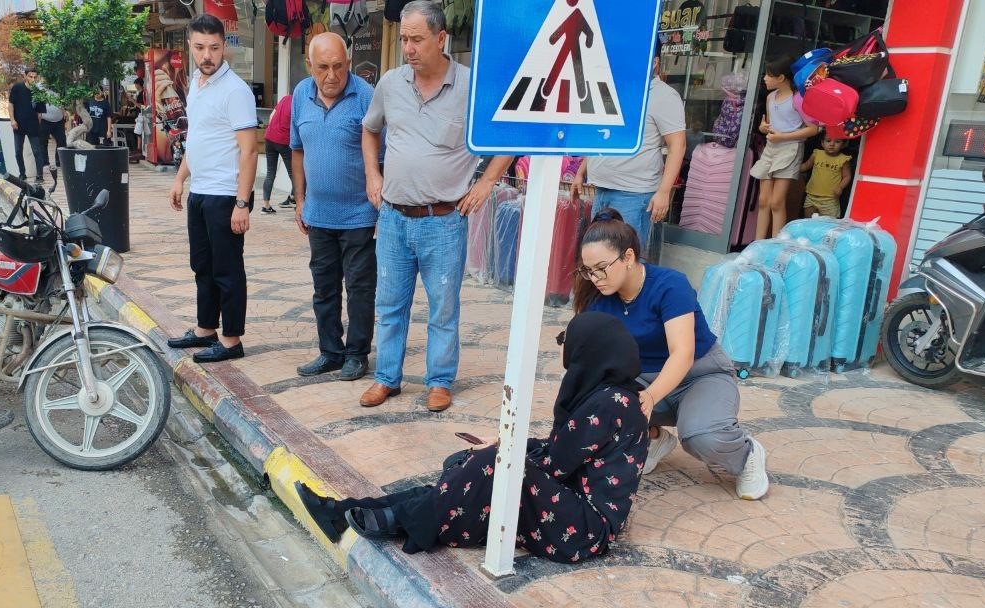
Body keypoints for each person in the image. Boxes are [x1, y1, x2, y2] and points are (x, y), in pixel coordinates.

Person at [296, 311, 649, 563]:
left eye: (565, 341)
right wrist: (499, 449)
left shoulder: (610, 403)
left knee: (491, 468)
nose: (563, 351)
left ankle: (401, 522)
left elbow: (555, 465)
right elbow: (560, 451)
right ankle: (345, 511)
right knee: (472, 466)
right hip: (567, 507)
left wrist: (499, 455)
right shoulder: (609, 395)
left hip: (584, 529)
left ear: (589, 349)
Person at [359, 0, 513, 413]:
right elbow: (370, 131)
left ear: (441, 38)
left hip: (444, 221)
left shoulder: (471, 86)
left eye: (416, 39)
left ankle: (440, 381)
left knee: (443, 306)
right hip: (393, 217)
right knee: (389, 302)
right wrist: (373, 176)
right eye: (404, 39)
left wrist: (486, 183)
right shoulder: (390, 83)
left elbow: (507, 134)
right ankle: (386, 378)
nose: (408, 48)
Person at [574, 209, 769, 500]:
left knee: (702, 437)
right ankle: (653, 438)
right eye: (588, 270)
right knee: (595, 401)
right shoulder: (598, 299)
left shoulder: (669, 284)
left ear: (628, 257)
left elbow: (683, 352)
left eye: (602, 267)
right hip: (641, 378)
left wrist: (650, 398)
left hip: (700, 375)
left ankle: (746, 454)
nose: (595, 278)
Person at [166, 13, 259, 363]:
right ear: (190, 46)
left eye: (215, 48)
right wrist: (180, 178)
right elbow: (198, 138)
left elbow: (250, 151)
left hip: (225, 195)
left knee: (227, 269)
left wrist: (242, 202)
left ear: (224, 47)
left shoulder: (235, 91)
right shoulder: (196, 83)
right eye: (201, 47)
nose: (208, 55)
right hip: (200, 192)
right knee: (202, 265)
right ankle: (206, 329)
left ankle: (232, 340)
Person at [289, 32, 379, 382]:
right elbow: (297, 149)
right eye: (323, 67)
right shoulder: (300, 94)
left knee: (359, 289)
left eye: (338, 67)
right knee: (323, 288)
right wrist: (300, 199)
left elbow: (380, 157)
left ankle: (357, 355)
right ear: (309, 65)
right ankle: (330, 351)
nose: (331, 75)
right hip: (318, 216)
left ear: (349, 64)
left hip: (358, 215)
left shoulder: (366, 97)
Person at [570, 47, 685, 262]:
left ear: (655, 62)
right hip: (602, 190)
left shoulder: (664, 96)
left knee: (626, 261)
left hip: (634, 195)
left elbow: (678, 145)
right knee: (600, 257)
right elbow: (604, 136)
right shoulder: (618, 90)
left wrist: (663, 192)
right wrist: (581, 171)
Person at [751, 56, 819, 239]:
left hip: (790, 150)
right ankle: (757, 244)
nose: (764, 78)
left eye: (768, 75)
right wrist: (763, 127)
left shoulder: (798, 99)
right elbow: (770, 125)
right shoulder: (770, 97)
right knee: (763, 200)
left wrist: (783, 136)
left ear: (781, 78)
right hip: (771, 148)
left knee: (776, 202)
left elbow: (813, 129)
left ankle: (775, 244)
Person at [8, 69, 48, 182]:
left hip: (33, 125)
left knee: (37, 151)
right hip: (18, 125)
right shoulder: (17, 88)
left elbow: (39, 113)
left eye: (35, 77)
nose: (33, 79)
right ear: (25, 76)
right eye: (30, 76)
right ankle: (22, 173)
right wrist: (12, 120)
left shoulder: (39, 92)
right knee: (18, 151)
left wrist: (37, 126)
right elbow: (11, 105)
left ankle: (40, 176)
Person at [801, 133, 852, 218]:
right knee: (808, 221)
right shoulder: (816, 154)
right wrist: (792, 169)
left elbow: (847, 176)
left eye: (837, 142)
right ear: (822, 143)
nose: (832, 144)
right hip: (811, 196)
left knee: (829, 224)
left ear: (843, 144)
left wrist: (840, 187)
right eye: (828, 141)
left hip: (830, 199)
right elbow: (806, 166)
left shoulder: (843, 159)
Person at [261, 93, 295, 214]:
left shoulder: (285, 98)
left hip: (269, 137)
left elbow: (271, 117)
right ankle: (296, 200)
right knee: (295, 173)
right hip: (284, 141)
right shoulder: (298, 103)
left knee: (270, 173)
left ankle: (266, 206)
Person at [38, 90, 67, 172]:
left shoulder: (58, 87)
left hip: (59, 120)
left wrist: (64, 112)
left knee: (62, 140)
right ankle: (45, 162)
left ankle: (59, 162)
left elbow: (60, 102)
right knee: (43, 142)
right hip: (45, 120)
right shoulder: (39, 88)